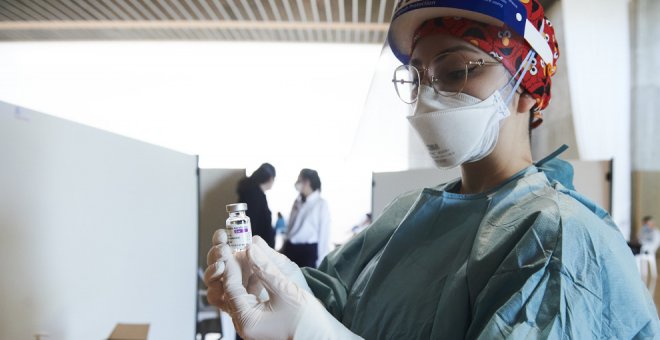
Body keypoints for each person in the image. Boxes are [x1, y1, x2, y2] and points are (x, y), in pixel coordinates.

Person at [204, 1, 659, 338]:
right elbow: (338, 302)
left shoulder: (556, 238)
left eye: (456, 70)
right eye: (419, 76)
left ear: (527, 86)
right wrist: (267, 279)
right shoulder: (407, 217)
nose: (430, 95)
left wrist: (309, 330)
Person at [281, 168, 331, 268]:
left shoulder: (321, 204)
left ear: (307, 182)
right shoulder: (297, 201)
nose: (297, 183)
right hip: (290, 249)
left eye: (299, 180)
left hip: (308, 253)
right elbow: (290, 226)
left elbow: (324, 234)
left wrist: (321, 261)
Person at [236, 163, 276, 248]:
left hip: (257, 246)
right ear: (270, 178)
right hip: (256, 248)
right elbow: (252, 224)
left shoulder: (253, 192)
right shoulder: (255, 195)